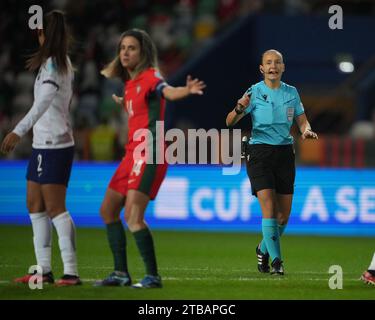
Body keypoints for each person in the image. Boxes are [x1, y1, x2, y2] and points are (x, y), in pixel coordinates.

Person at [95, 29, 205, 288]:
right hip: (131, 155)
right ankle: (121, 274)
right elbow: (140, 107)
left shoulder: (151, 78)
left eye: (131, 48)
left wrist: (185, 90)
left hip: (150, 153)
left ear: (143, 52)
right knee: (108, 211)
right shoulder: (130, 85)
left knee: (134, 217)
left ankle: (153, 276)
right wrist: (125, 102)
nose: (125, 52)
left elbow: (167, 92)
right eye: (122, 47)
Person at [0, 10, 81, 286]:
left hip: (54, 144)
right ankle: (43, 271)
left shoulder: (54, 66)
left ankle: (70, 272)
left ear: (44, 34)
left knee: (56, 208)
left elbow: (42, 103)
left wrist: (17, 131)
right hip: (42, 144)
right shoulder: (53, 62)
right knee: (34, 205)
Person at [226, 49, 318, 275]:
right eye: (268, 63)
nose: (273, 66)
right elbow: (229, 121)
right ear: (262, 69)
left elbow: (302, 121)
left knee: (283, 217)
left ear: (283, 67)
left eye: (277, 62)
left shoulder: (292, 93)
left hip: (285, 154)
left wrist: (307, 131)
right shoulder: (254, 92)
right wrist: (239, 107)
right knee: (269, 209)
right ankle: (277, 262)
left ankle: (262, 248)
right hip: (259, 153)